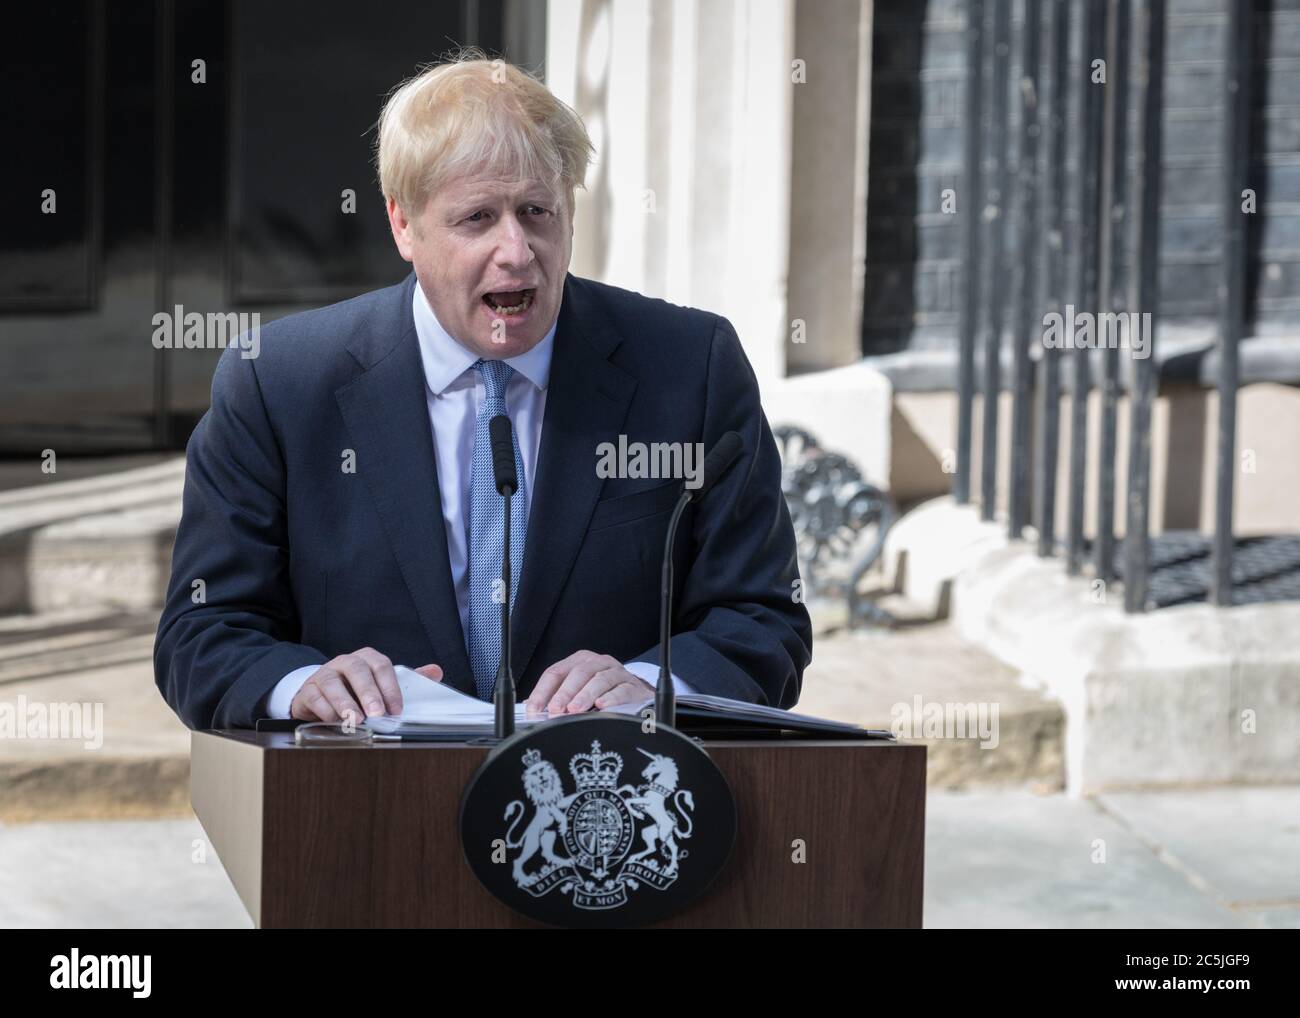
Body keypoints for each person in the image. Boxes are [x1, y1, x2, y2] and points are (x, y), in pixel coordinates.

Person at [154, 53, 811, 729]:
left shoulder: (690, 367)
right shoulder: (278, 383)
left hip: (604, 801)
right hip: (363, 803)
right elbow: (203, 633)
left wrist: (648, 684)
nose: (518, 251)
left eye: (537, 212)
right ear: (403, 226)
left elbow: (761, 620)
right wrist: (301, 685)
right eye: (477, 219)